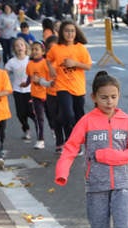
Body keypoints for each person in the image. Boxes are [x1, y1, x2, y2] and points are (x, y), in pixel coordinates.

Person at [54, 71, 128, 228]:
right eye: (104, 97)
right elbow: (71, 147)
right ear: (93, 97)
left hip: (122, 184)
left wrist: (112, 156)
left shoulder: (127, 122)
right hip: (96, 186)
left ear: (118, 96)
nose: (109, 101)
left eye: (113, 96)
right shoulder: (87, 122)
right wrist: (62, 171)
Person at [46, 20, 92, 153]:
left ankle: (76, 144)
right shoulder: (56, 48)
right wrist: (51, 69)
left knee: (78, 117)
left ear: (76, 32)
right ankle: (68, 137)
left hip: (78, 87)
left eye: (72, 31)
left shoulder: (80, 48)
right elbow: (48, 59)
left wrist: (74, 63)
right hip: (62, 86)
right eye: (67, 31)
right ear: (62, 33)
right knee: (68, 114)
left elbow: (88, 66)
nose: (70, 34)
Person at [5, 37, 35, 141]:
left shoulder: (30, 59)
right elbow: (5, 75)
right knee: (20, 113)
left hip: (31, 90)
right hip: (17, 90)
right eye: (17, 46)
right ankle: (26, 129)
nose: (19, 47)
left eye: (21, 45)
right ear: (14, 49)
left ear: (26, 47)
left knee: (32, 112)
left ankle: (40, 129)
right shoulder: (11, 62)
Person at [26, 41, 48, 149]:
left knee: (52, 117)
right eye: (32, 49)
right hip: (35, 94)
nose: (34, 51)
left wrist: (41, 81)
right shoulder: (30, 64)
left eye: (37, 49)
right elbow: (29, 76)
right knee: (39, 118)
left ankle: (54, 131)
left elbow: (51, 78)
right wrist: (25, 84)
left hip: (47, 94)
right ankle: (40, 139)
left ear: (43, 51)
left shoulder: (45, 63)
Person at [42, 35, 63, 152]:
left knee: (66, 118)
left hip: (65, 93)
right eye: (50, 49)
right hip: (51, 94)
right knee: (55, 119)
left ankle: (70, 141)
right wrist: (48, 83)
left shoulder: (63, 61)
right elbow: (40, 80)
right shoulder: (45, 63)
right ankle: (59, 142)